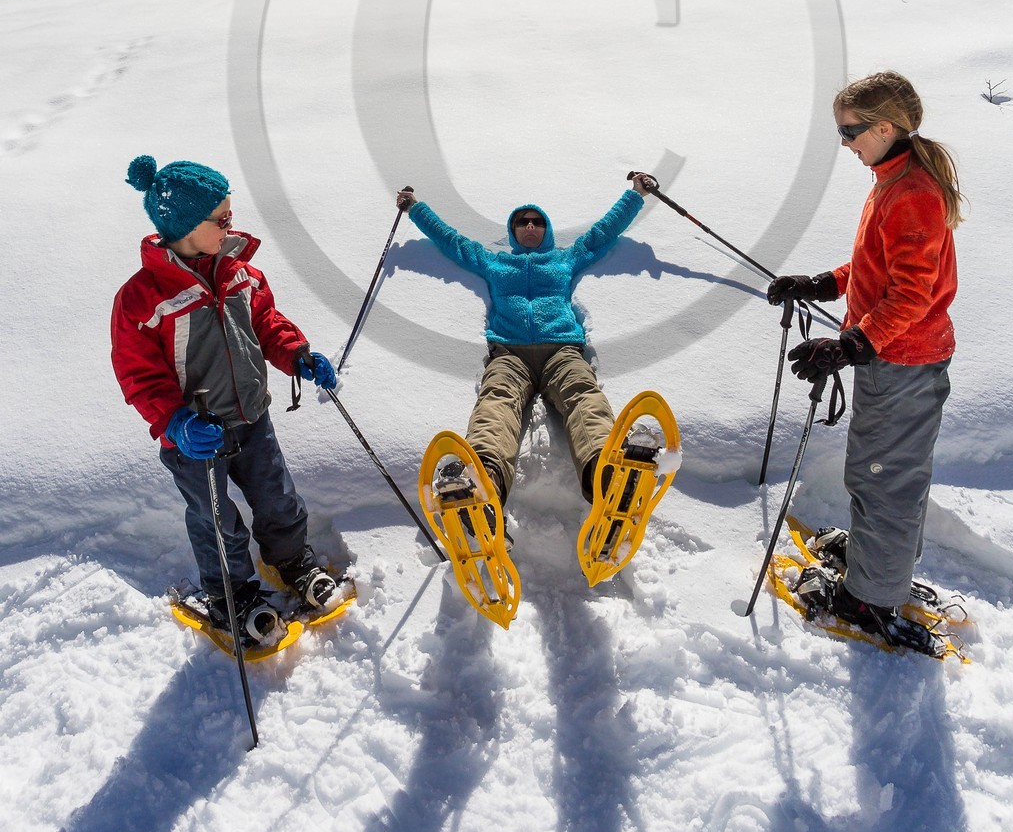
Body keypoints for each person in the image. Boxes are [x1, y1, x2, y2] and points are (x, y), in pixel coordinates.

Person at [767, 71, 962, 649]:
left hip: (904, 360)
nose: (845, 142)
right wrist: (823, 284)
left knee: (886, 480)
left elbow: (911, 295)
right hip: (893, 356)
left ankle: (871, 594)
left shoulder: (914, 195)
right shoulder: (892, 179)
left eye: (850, 131)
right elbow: (877, 269)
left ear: (884, 126)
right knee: (878, 471)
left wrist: (849, 344)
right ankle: (879, 560)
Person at [111, 155, 340, 644]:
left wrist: (297, 354)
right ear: (187, 225)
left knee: (277, 497)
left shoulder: (241, 275)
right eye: (222, 218)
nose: (230, 225)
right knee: (216, 519)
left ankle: (292, 561)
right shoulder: (142, 298)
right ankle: (232, 593)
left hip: (252, 416)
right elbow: (138, 374)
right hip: (194, 435)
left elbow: (266, 324)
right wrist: (173, 423)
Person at [397, 174, 656, 516]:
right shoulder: (494, 262)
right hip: (510, 353)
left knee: (583, 392)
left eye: (537, 222)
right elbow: (451, 241)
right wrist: (415, 209)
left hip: (562, 350)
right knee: (496, 401)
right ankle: (483, 482)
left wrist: (636, 193)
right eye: (523, 222)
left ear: (546, 229)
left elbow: (603, 232)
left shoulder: (566, 258)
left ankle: (606, 474)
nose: (530, 226)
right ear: (513, 230)